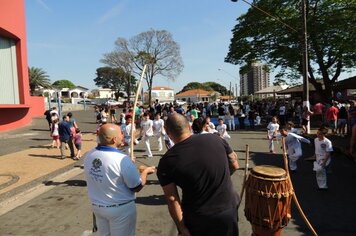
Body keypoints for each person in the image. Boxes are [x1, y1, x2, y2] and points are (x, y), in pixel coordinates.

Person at [157, 113, 240, 236]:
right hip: (228, 210)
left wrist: (182, 228)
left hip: (198, 218)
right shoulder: (216, 139)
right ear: (189, 127)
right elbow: (234, 164)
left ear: (167, 132)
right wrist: (220, 176)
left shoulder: (166, 161)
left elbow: (172, 199)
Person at [84, 123, 156, 236]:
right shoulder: (121, 159)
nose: (123, 135)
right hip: (120, 210)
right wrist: (145, 172)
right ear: (114, 139)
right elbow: (136, 186)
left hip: (98, 207)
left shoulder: (90, 154)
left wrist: (128, 164)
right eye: (121, 133)